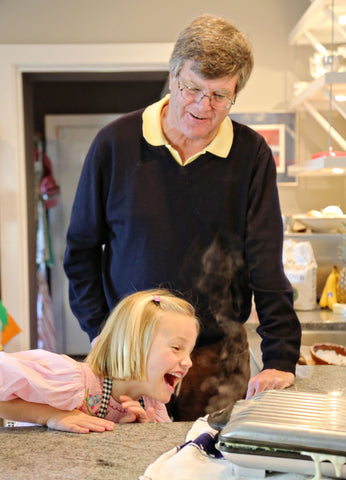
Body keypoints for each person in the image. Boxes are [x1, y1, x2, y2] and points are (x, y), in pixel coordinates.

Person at [63, 14, 301, 421]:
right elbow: (81, 253)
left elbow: (265, 261)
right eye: (192, 88)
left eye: (219, 96)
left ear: (235, 93)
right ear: (173, 76)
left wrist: (280, 356)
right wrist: (105, 335)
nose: (202, 107)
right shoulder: (115, 143)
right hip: (129, 363)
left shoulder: (251, 154)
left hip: (217, 360)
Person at [0, 289, 199, 432]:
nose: (188, 362)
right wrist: (53, 416)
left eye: (189, 352)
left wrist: (139, 433)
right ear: (133, 345)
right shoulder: (75, 381)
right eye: (176, 348)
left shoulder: (150, 405)